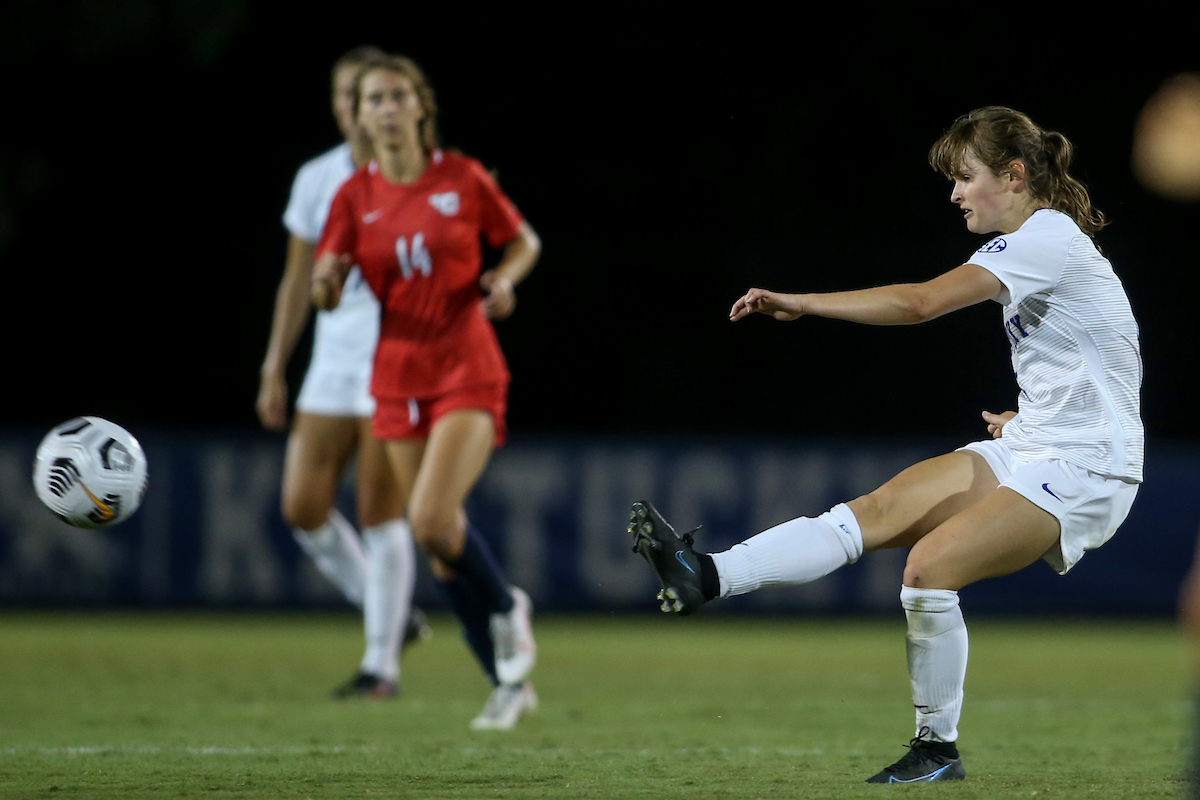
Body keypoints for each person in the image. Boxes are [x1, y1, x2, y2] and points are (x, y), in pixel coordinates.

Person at [631, 106, 1143, 783]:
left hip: (1089, 467)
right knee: (874, 512)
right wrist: (1027, 419)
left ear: (1014, 176)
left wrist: (806, 302)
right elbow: (1103, 359)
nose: (955, 193)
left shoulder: (1043, 236)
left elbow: (921, 304)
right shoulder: (1043, 243)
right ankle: (708, 577)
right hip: (1041, 444)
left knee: (929, 570)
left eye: (966, 177)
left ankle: (937, 749)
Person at [311, 53, 543, 730]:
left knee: (431, 521)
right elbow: (328, 281)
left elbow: (523, 241)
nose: (382, 108)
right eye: (370, 100)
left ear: (420, 107)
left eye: (393, 96)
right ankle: (507, 683)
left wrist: (505, 281)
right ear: (360, 116)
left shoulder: (461, 178)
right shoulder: (355, 196)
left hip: (465, 364)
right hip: (395, 376)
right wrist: (326, 283)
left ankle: (507, 610)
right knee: (443, 550)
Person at [257, 45, 428, 700]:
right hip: (331, 363)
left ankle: (379, 666)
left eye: (372, 96)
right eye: (346, 98)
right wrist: (275, 365)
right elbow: (297, 279)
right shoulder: (318, 178)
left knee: (381, 513)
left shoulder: (419, 177)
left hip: (393, 363)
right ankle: (391, 616)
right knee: (302, 508)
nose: (357, 109)